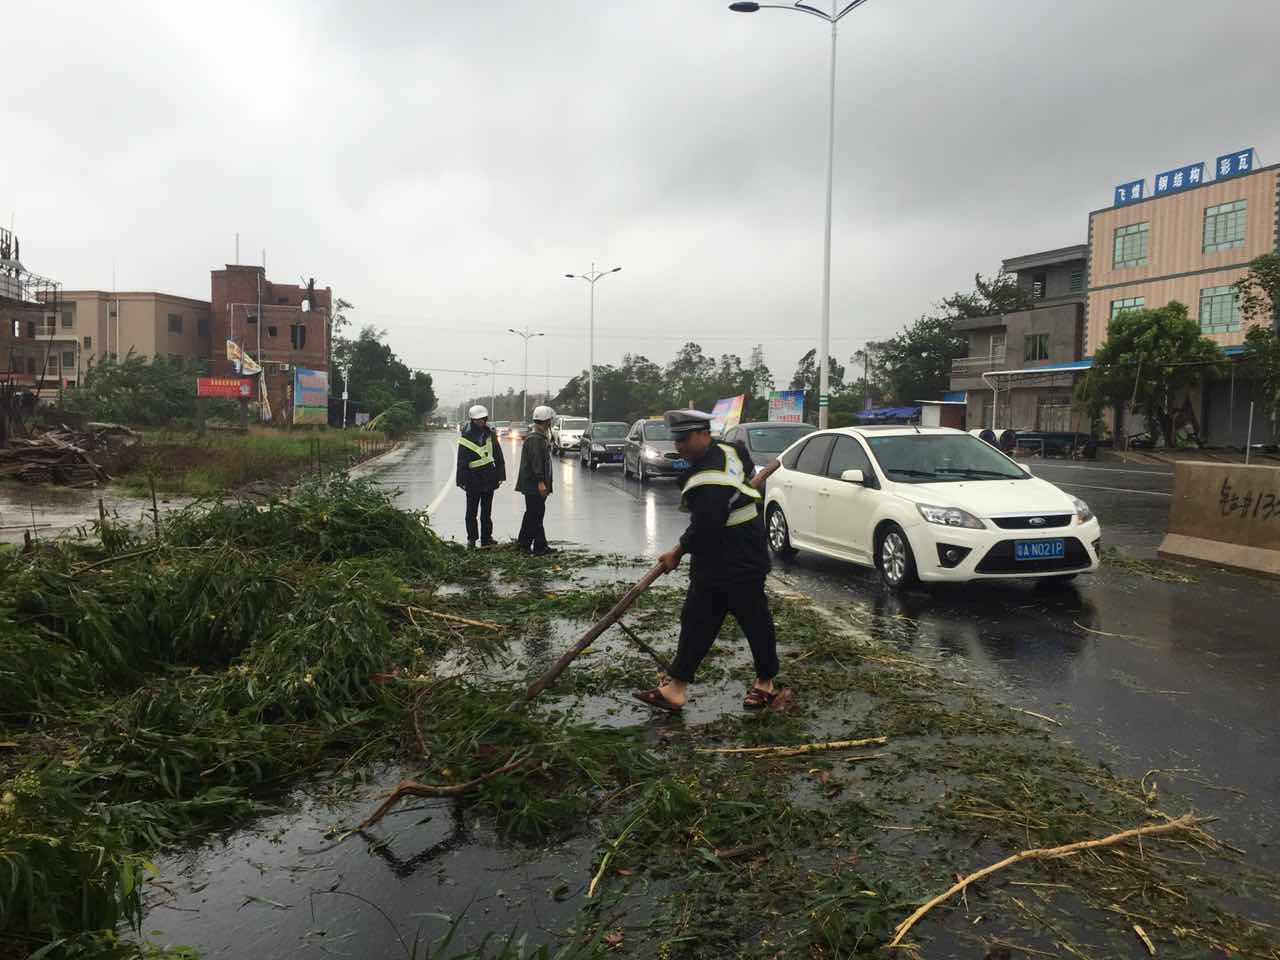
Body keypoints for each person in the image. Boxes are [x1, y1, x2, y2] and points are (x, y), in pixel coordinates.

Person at [632, 409, 781, 714]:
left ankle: (765, 683)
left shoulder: (706, 480)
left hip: (740, 558)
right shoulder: (731, 450)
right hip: (717, 556)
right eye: (677, 440)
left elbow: (705, 528)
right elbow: (744, 471)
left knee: (755, 621)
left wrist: (676, 553)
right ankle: (675, 688)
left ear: (704, 434)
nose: (680, 446)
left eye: (685, 439)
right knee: (696, 621)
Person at [456, 404, 506, 548]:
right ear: (472, 420)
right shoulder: (466, 436)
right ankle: (472, 539)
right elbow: (461, 461)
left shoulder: (490, 434)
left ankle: (486, 538)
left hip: (489, 477)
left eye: (483, 419)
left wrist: (501, 475)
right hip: (472, 479)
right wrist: (461, 480)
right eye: (478, 419)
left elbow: (498, 455)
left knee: (486, 512)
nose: (481, 421)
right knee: (471, 512)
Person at [516, 405, 557, 555]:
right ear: (546, 421)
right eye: (550, 420)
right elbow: (536, 463)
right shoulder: (535, 439)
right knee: (534, 515)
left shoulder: (539, 437)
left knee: (535, 514)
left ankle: (538, 544)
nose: (550, 423)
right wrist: (541, 482)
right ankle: (525, 545)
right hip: (533, 484)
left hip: (534, 484)